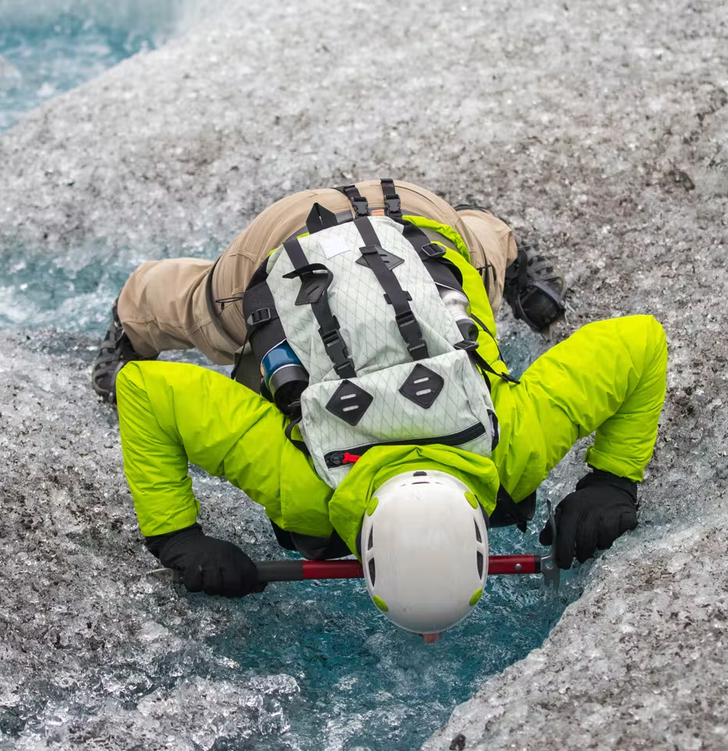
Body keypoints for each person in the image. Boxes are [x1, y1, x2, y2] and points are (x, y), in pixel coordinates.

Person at [97, 179, 667, 640]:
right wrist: (175, 538)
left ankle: (495, 242)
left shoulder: (515, 447)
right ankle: (133, 311)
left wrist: (613, 481)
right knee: (204, 314)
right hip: (292, 239)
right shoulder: (302, 485)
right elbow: (143, 387)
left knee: (470, 272)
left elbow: (640, 341)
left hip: (416, 218)